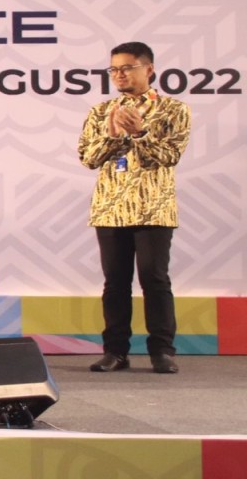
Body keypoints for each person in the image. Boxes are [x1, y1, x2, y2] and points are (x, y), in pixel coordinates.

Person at [79, 42, 190, 374]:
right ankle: (115, 351)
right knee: (115, 282)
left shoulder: (173, 109)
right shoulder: (101, 112)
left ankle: (162, 351)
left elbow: (170, 156)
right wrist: (113, 136)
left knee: (154, 278)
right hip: (110, 209)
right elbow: (88, 158)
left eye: (127, 68)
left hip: (154, 208)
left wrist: (140, 132)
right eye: (114, 69)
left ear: (149, 69)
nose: (119, 75)